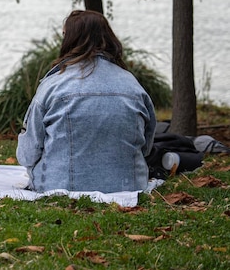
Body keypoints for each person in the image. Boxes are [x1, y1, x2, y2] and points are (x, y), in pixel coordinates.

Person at [16, 10, 156, 193]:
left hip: (58, 186)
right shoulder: (133, 85)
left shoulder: (53, 85)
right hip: (128, 186)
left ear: (69, 39)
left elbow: (28, 154)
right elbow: (146, 145)